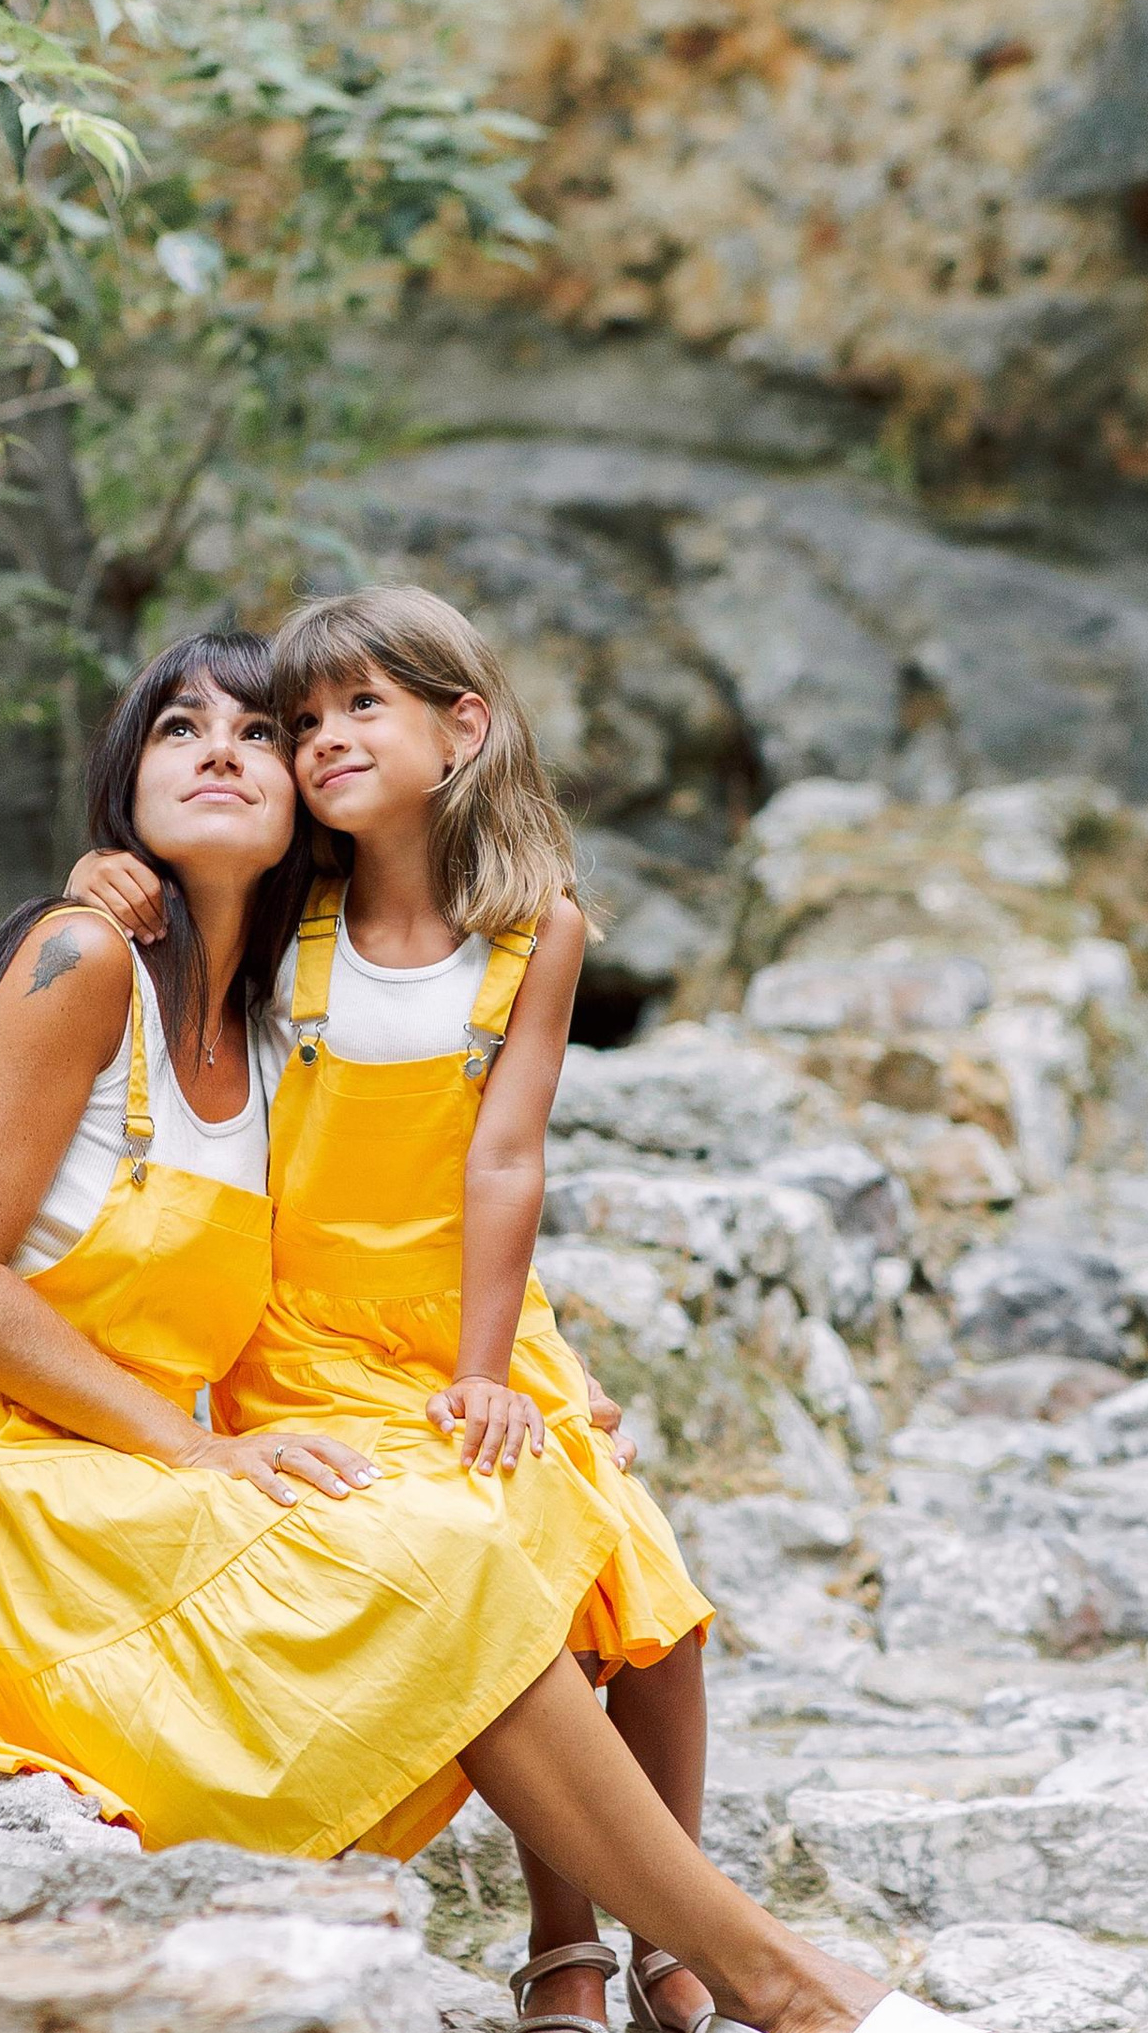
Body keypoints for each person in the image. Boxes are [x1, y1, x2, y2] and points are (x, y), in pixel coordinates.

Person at [0, 630, 949, 2033]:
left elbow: (425, 1205)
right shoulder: (85, 955)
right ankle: (778, 1982)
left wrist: (546, 1374)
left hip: (119, 1471)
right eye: (175, 730)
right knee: (429, 1558)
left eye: (252, 734)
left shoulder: (279, 1019)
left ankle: (631, 1960)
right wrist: (193, 1452)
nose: (220, 750)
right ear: (122, 786)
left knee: (508, 1522)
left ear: (305, 811)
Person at [65, 588, 712, 2033]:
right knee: (509, 1585)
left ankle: (677, 1922)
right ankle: (565, 1947)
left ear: (460, 726)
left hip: (472, 1330)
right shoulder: (297, 908)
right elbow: (172, 894)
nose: (321, 741)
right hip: (308, 1342)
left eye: (364, 707)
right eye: (304, 722)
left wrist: (501, 1370)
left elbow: (505, 1158)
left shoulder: (533, 934)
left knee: (651, 1608)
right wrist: (98, 875)